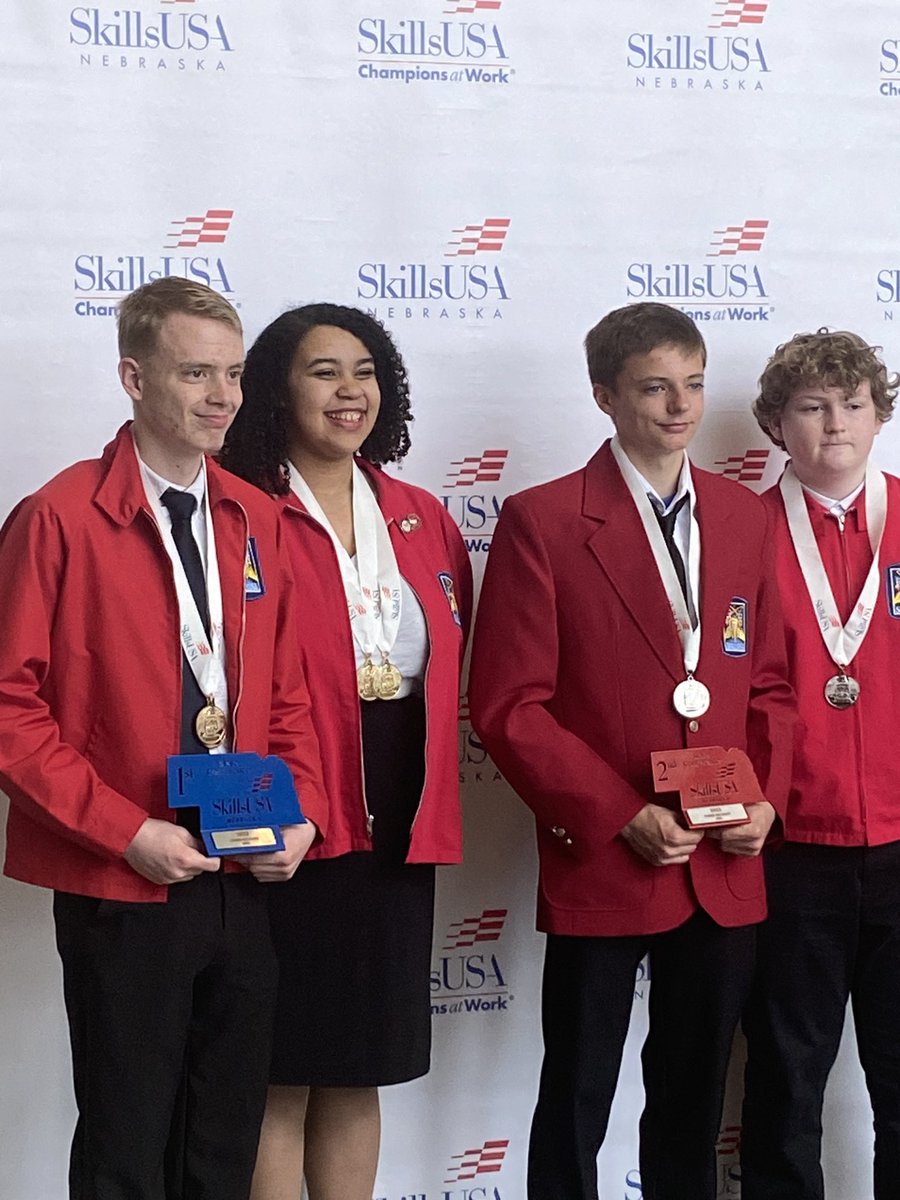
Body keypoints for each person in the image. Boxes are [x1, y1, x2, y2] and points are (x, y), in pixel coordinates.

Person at [0, 276, 328, 1200]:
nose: (223, 396)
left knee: (224, 1135)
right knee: (127, 1138)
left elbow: (292, 699)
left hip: (243, 870)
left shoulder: (258, 517)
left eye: (231, 373)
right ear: (133, 378)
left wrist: (299, 813)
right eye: (195, 373)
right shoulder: (57, 517)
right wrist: (123, 832)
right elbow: (9, 710)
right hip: (125, 876)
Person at [468, 301, 795, 1200]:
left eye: (692, 384)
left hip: (724, 857)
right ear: (605, 396)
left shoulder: (743, 517)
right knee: (578, 1089)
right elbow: (509, 707)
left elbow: (768, 683)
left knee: (692, 1095)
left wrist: (768, 800)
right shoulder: (542, 520)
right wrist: (617, 816)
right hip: (610, 856)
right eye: (655, 388)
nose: (680, 407)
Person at [220, 302, 472, 1200]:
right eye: (324, 371)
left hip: (399, 804)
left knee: (361, 1061)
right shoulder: (239, 508)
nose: (349, 390)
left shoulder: (420, 515)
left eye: (364, 371)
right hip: (288, 802)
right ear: (277, 388)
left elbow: (449, 654)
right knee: (279, 1061)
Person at [741, 330, 900, 1200]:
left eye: (852, 402)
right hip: (792, 844)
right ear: (775, 423)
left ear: (879, 415)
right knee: (785, 1079)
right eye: (810, 405)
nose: (833, 422)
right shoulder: (739, 533)